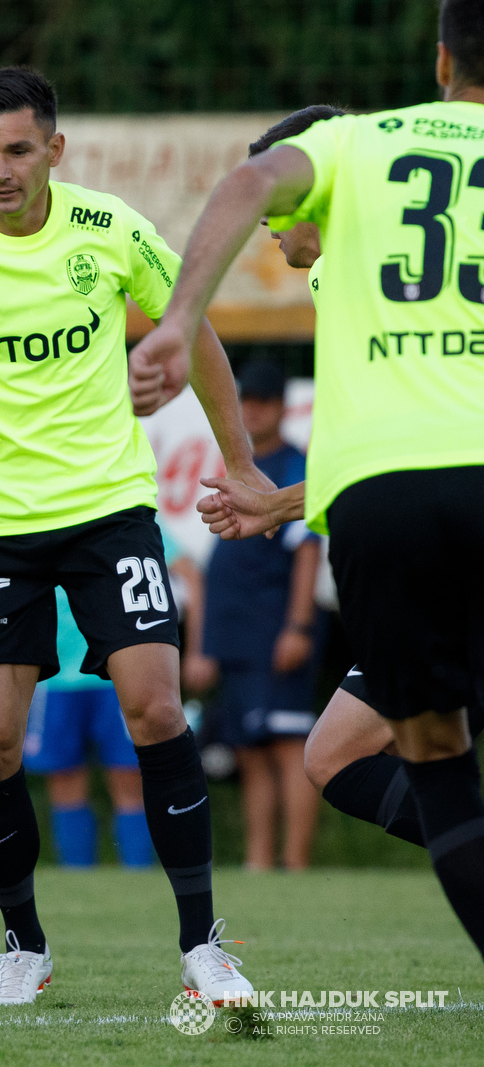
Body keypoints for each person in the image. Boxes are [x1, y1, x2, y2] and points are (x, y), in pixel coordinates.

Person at [0, 66, 269, 1007]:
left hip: (109, 509)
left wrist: (239, 460)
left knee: (158, 710)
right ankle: (23, 946)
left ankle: (204, 945)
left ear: (54, 148)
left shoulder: (110, 229)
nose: (0, 170)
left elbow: (192, 330)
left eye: (16, 150)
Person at [136, 0, 484, 956]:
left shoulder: (355, 182)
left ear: (443, 54)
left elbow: (258, 182)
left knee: (419, 757)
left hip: (405, 520)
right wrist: (277, 498)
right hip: (421, 497)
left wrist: (174, 319)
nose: (275, 235)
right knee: (332, 753)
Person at [198, 361, 322, 871]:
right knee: (249, 751)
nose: (253, 410)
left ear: (282, 407)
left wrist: (298, 626)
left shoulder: (294, 465)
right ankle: (258, 860)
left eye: (264, 401)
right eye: (246, 400)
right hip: (238, 629)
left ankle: (295, 862)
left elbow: (308, 549)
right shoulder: (235, 465)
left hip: (277, 626)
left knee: (290, 746)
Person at [23, 586, 155, 870]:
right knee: (64, 781)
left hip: (115, 674)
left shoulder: (126, 538)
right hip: (53, 676)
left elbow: (184, 571)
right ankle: (78, 878)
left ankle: (140, 878)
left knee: (129, 778)